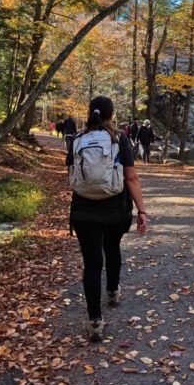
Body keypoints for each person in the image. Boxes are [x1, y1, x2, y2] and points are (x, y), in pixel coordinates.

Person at [67, 96, 149, 342]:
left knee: (92, 264)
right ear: (111, 115)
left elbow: (72, 176)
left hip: (83, 210)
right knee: (112, 249)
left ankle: (94, 321)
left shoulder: (76, 140)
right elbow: (131, 178)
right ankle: (112, 291)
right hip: (115, 208)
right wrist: (142, 211)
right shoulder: (119, 139)